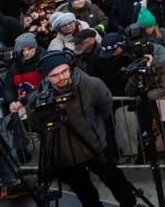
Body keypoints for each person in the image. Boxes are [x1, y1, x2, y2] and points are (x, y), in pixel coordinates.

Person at [26, 51, 138, 207]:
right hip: (65, 156)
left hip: (95, 147)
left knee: (116, 182)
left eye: (64, 71)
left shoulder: (91, 85)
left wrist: (94, 128)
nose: (61, 77)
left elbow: (105, 107)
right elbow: (36, 126)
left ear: (70, 67)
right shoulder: (37, 99)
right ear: (46, 77)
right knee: (85, 193)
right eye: (54, 75)